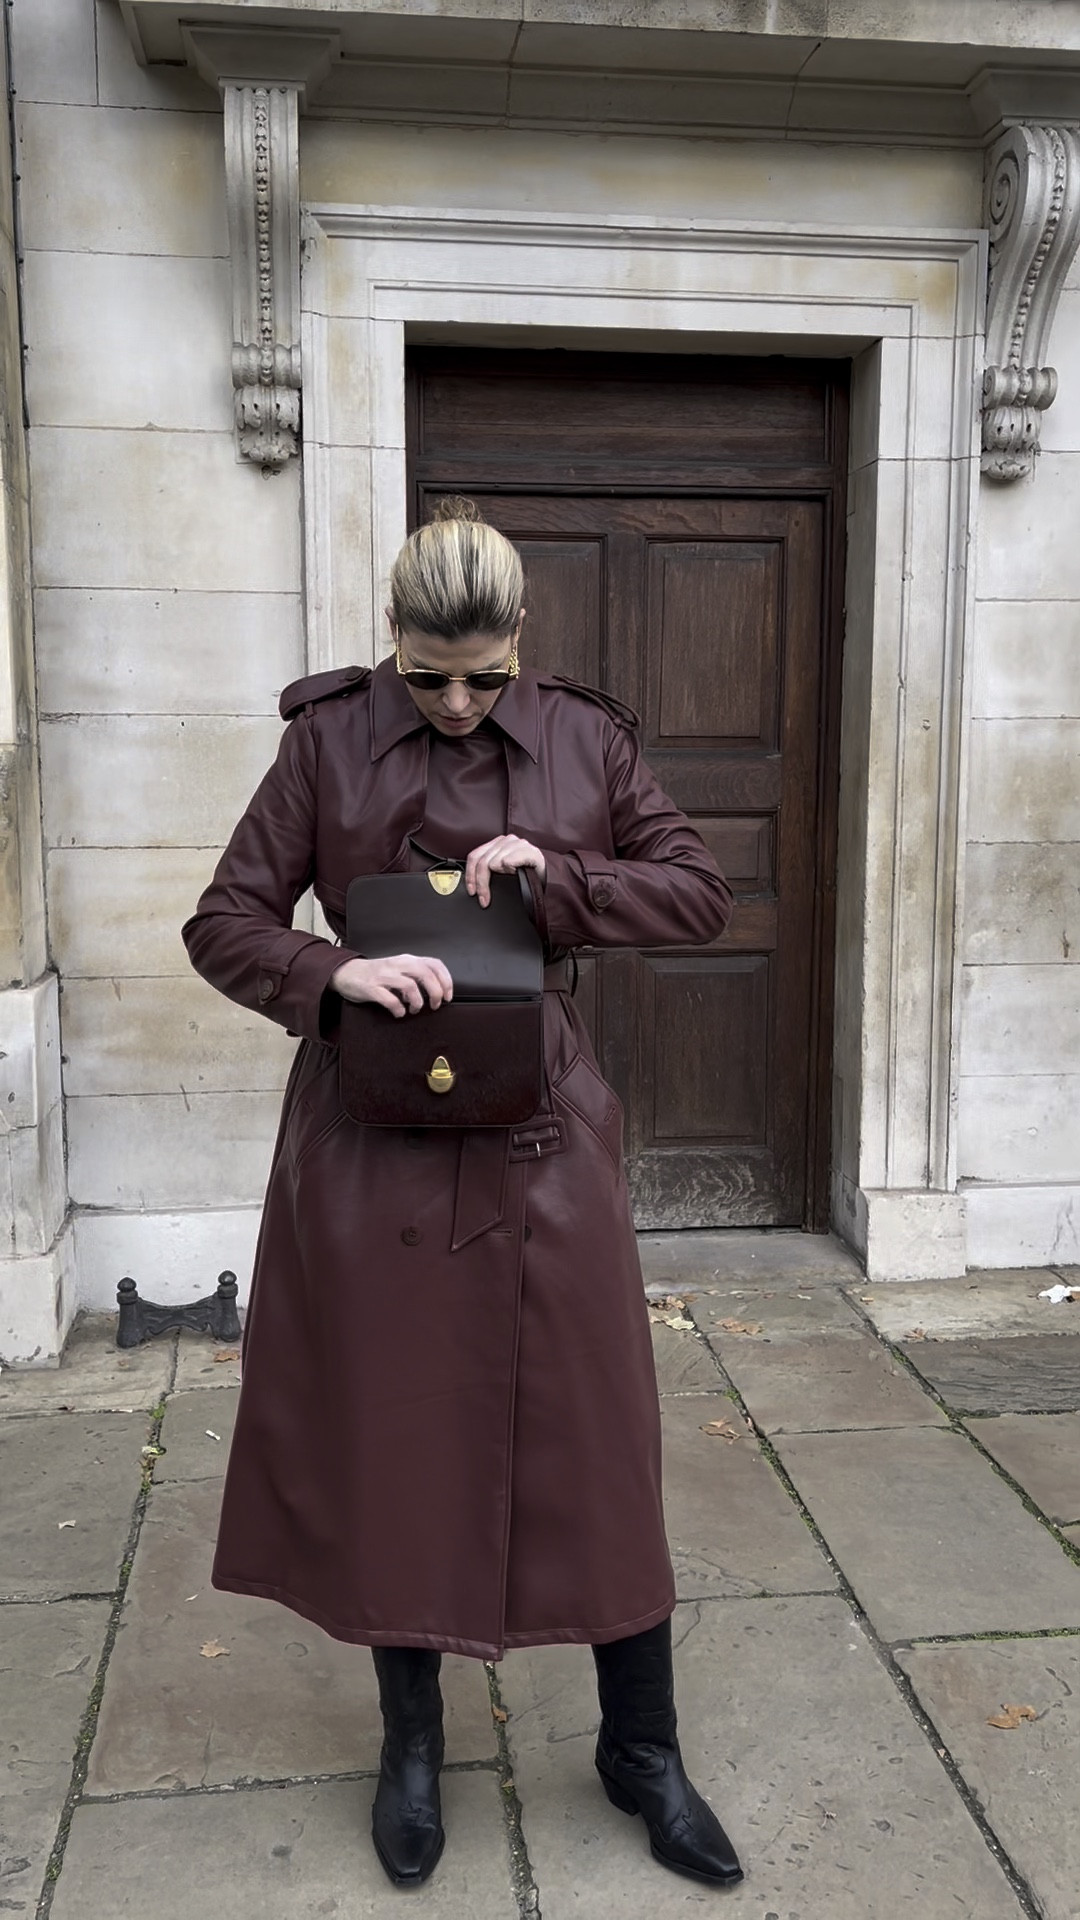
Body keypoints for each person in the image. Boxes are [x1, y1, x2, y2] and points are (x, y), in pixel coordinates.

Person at [182, 498, 743, 1891]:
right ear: (392, 641)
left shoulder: (584, 738)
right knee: (398, 1440)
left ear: (520, 645)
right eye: (424, 673)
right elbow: (226, 918)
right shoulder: (323, 741)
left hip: (544, 1138)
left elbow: (698, 894)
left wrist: (563, 880)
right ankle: (415, 1749)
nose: (451, 702)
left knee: (601, 1438)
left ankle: (642, 1748)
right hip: (370, 1141)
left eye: (482, 676)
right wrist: (329, 977)